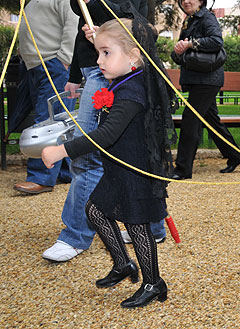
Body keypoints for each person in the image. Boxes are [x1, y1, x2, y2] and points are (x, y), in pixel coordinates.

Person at [43, 0, 165, 263]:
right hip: (96, 69)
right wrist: (76, 76)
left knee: (89, 155)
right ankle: (153, 226)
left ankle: (76, 234)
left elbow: (127, 20)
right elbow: (90, 33)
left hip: (113, 72)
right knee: (126, 150)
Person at [42, 16, 173, 308]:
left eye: (106, 53)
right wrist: (101, 37)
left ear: (133, 56)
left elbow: (107, 134)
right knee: (96, 210)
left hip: (135, 171)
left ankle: (154, 282)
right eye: (99, 52)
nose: (99, 60)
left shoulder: (132, 91)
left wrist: (61, 151)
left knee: (137, 225)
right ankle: (123, 264)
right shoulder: (124, 81)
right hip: (118, 169)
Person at [13, 0, 78, 195]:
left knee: (47, 122)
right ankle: (64, 172)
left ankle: (41, 177)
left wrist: (64, 59)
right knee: (59, 121)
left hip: (52, 64)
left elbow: (72, 24)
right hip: (38, 66)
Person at [170, 0, 240, 178]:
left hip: (207, 80)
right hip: (198, 78)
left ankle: (183, 169)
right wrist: (179, 50)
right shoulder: (190, 20)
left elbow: (216, 41)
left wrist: (190, 44)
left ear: (201, 1)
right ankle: (235, 155)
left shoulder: (207, 18)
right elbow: (182, 49)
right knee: (212, 121)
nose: (186, 1)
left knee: (190, 120)